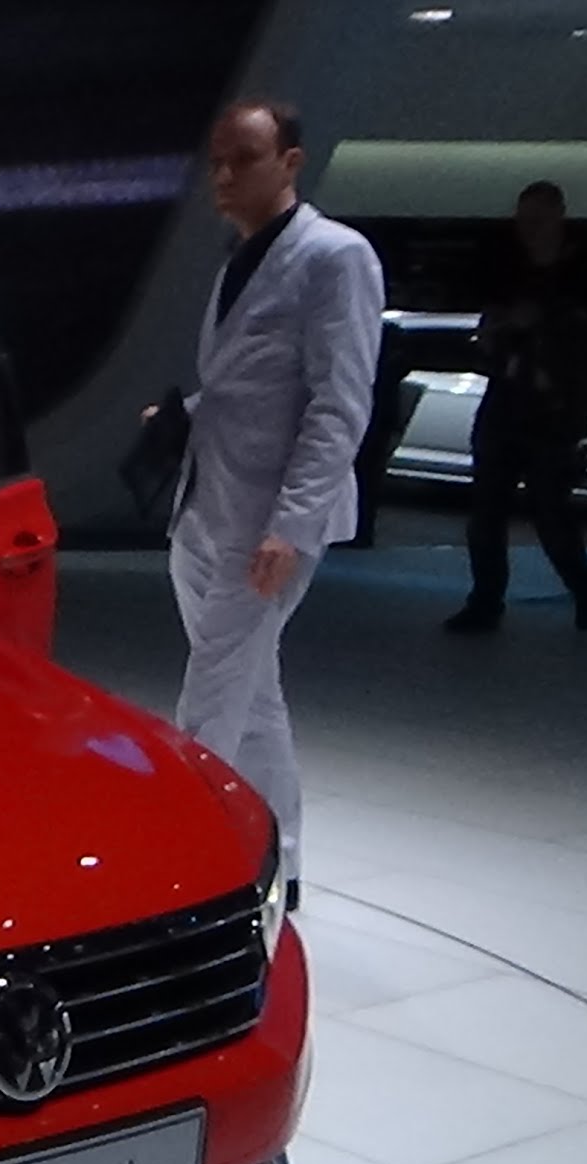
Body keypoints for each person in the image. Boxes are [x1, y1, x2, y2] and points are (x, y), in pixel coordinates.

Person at [160, 98, 382, 907]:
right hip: (206, 508)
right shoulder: (241, 258)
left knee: (211, 704)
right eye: (216, 161)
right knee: (253, 697)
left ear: (291, 162)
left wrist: (293, 524)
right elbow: (253, 382)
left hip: (265, 524)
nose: (223, 175)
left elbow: (339, 404)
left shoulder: (335, 257)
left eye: (243, 159)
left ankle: (184, 877)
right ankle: (280, 863)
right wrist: (183, 414)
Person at [448, 182, 587, 632]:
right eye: (523, 220)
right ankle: (486, 600)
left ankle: (584, 584)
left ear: (558, 217)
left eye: (536, 219)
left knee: (549, 510)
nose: (528, 228)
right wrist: (498, 332)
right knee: (488, 509)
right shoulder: (509, 268)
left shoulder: (584, 272)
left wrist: (547, 325)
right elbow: (491, 323)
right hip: (509, 394)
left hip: (553, 405)